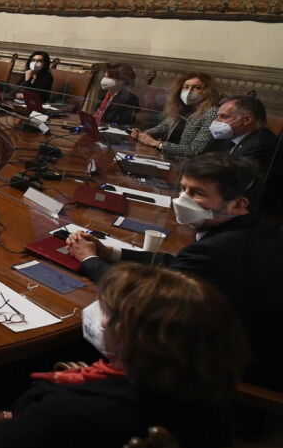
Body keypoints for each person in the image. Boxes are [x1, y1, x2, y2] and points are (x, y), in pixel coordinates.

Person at [0, 263, 247, 448]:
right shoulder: (215, 401)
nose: (95, 313)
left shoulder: (76, 411)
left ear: (130, 336)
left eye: (104, 309)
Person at [66, 153, 282, 389]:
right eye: (183, 189)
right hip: (247, 350)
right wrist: (111, 254)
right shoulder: (259, 229)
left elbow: (138, 298)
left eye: (197, 193)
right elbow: (176, 265)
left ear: (238, 204)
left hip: (215, 373)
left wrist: (89, 259)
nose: (182, 200)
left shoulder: (216, 252)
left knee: (82, 336)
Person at [130, 72, 220, 159]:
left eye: (197, 87)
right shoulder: (180, 108)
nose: (189, 91)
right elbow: (163, 128)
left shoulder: (211, 113)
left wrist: (157, 144)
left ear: (209, 90)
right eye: (186, 87)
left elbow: (194, 150)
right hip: (168, 158)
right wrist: (143, 134)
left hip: (190, 166)